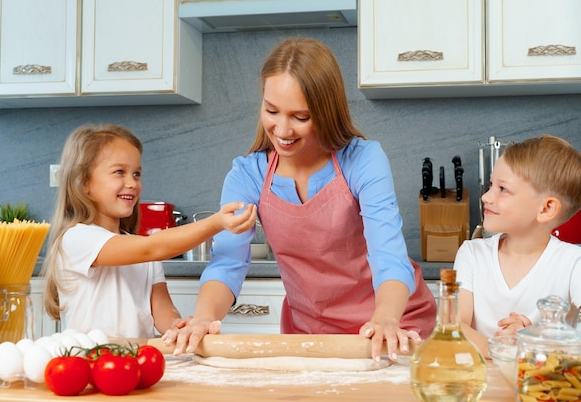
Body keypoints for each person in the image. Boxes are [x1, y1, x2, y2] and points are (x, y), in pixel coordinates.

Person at [163, 37, 437, 361]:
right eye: (271, 110)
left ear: (326, 111)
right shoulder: (247, 175)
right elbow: (228, 262)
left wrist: (387, 319)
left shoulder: (362, 160)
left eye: (300, 116)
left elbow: (388, 255)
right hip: (309, 334)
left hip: (391, 327)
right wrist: (205, 316)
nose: (282, 128)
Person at [42, 124, 257, 338]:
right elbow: (152, 247)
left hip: (137, 364)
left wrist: (178, 326)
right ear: (84, 182)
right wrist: (216, 222)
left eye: (136, 174)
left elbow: (161, 308)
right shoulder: (76, 238)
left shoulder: (145, 254)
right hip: (88, 363)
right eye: (119, 172)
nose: (132, 183)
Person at [454, 135, 581, 357]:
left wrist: (536, 341)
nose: (485, 197)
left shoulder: (572, 263)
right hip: (477, 385)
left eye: (502, 189)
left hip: (543, 388)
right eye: (491, 184)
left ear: (546, 209)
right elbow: (453, 326)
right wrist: (503, 348)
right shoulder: (472, 254)